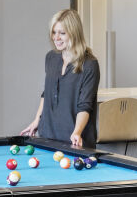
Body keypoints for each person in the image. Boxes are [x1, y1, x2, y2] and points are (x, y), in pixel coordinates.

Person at [19, 8, 100, 149]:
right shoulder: (51, 58)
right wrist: (37, 120)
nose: (56, 38)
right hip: (47, 136)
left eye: (62, 33)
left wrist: (77, 132)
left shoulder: (89, 64)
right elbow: (47, 94)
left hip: (74, 141)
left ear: (74, 34)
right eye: (54, 32)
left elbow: (85, 106)